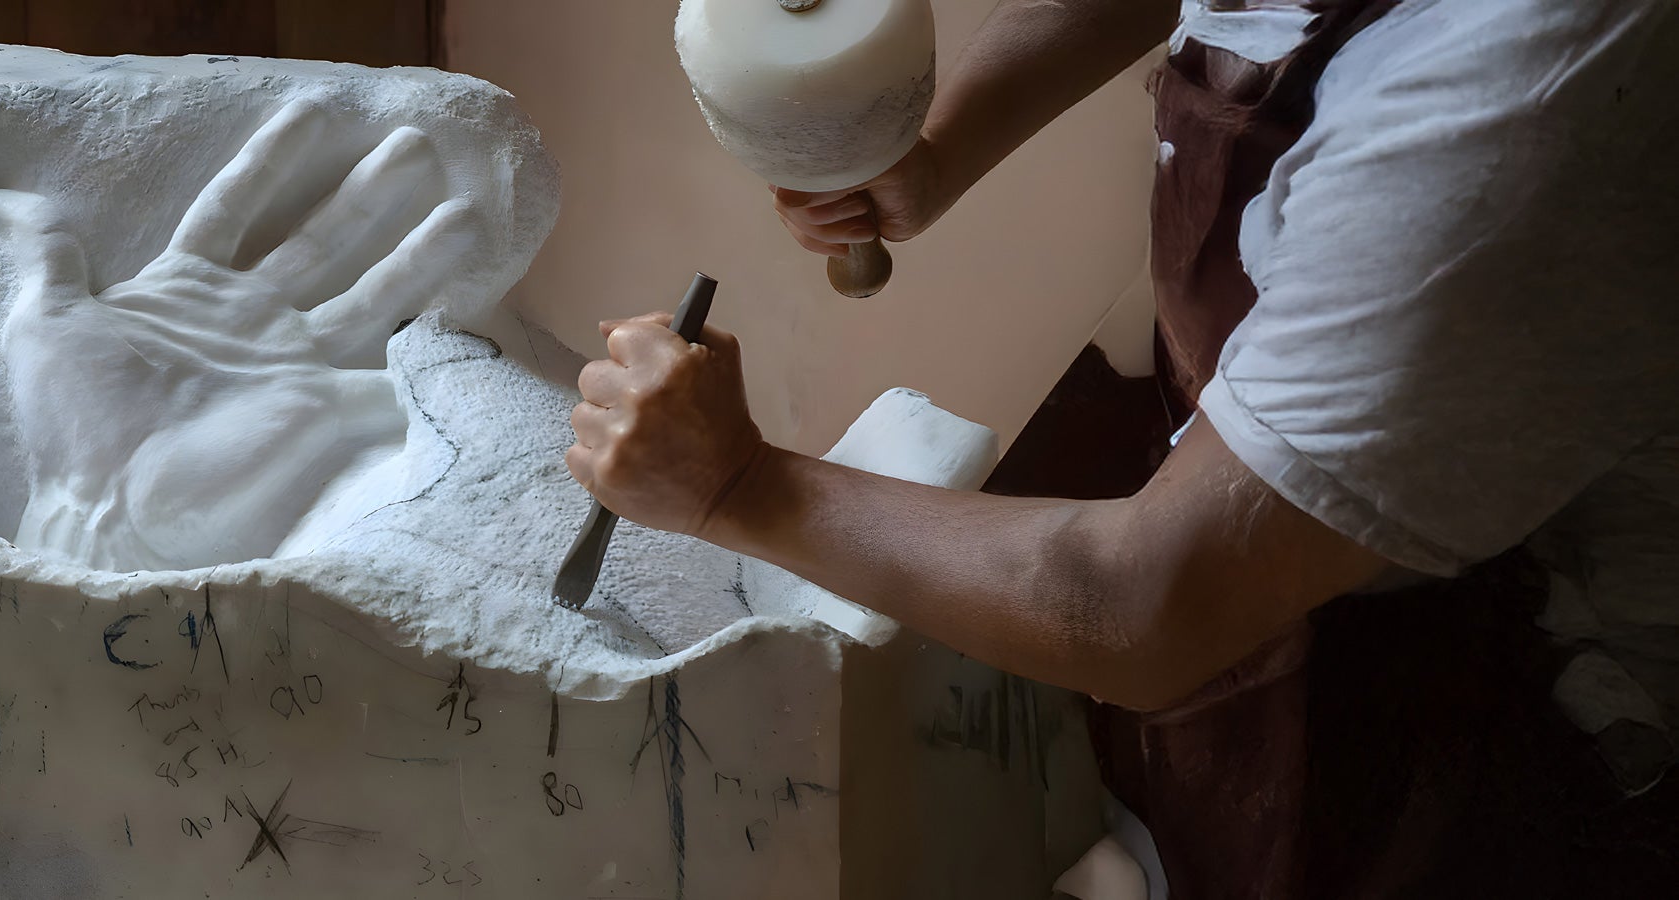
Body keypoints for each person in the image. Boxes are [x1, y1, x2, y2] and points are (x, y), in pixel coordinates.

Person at [568, 0, 1679, 894]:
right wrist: (941, 150)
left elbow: (1143, 608)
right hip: (1304, 542)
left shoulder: (1505, 109)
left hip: (1515, 675)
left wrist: (736, 487)